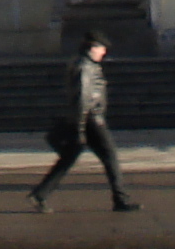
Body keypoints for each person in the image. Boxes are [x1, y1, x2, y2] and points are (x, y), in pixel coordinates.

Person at [27, 34, 140, 214]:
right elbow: (82, 99)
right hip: (91, 120)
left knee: (69, 158)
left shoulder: (83, 64)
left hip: (85, 119)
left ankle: (40, 194)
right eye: (102, 48)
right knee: (110, 156)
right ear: (93, 47)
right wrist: (80, 128)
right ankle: (120, 199)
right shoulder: (85, 67)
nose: (104, 52)